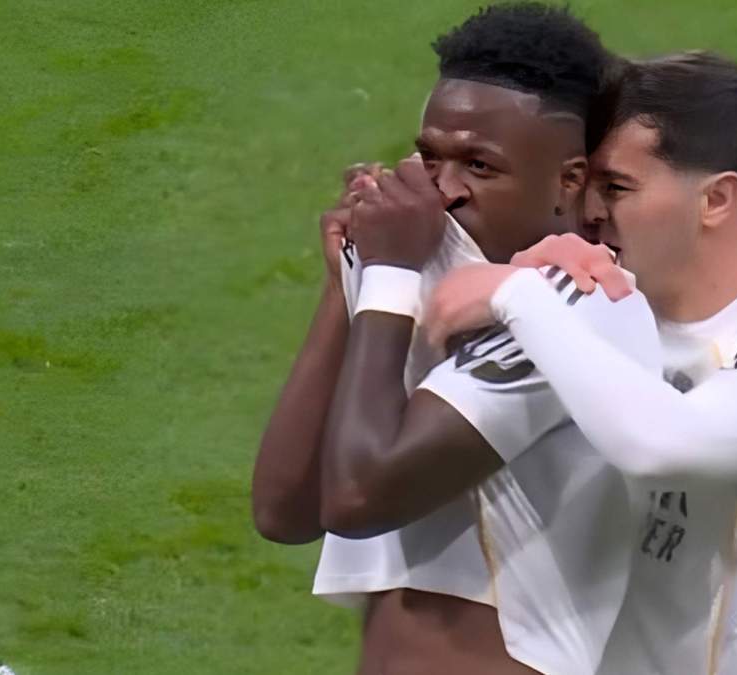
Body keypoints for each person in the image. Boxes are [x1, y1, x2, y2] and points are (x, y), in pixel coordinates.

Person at [427, 51, 737, 674]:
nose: (588, 211)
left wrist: (516, 295)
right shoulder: (586, 299)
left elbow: (663, 443)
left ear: (716, 199)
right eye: (587, 185)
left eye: (617, 187)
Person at [253, 5, 664, 673]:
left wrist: (387, 277)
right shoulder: (427, 279)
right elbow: (284, 509)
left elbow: (359, 495)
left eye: (479, 164)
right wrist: (346, 283)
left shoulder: (581, 307)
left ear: (568, 181)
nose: (444, 190)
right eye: (429, 155)